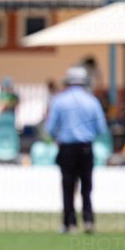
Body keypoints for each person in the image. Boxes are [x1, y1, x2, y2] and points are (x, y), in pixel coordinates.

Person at [44, 66, 107, 234]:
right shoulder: (92, 101)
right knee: (86, 186)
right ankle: (88, 221)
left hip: (67, 148)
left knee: (68, 185)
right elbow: (101, 128)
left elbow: (49, 128)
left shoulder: (60, 100)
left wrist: (58, 136)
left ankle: (69, 223)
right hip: (86, 147)